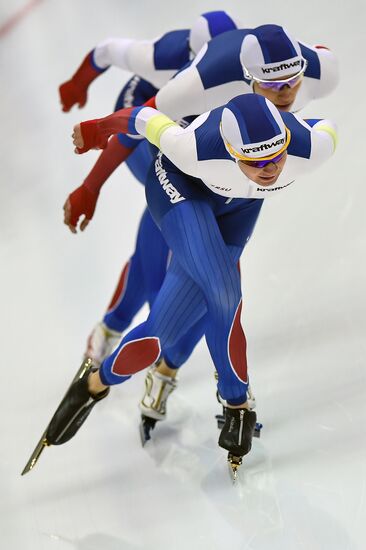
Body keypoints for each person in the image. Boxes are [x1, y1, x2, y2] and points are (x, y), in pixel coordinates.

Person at [61, 24, 339, 427]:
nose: (269, 170)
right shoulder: (191, 122)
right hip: (179, 178)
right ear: (244, 76)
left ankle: (109, 381)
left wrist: (260, 159)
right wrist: (92, 163)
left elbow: (326, 121)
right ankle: (235, 402)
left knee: (174, 318)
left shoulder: (308, 146)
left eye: (276, 158)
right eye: (256, 162)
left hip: (238, 198)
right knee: (219, 287)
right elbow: (142, 117)